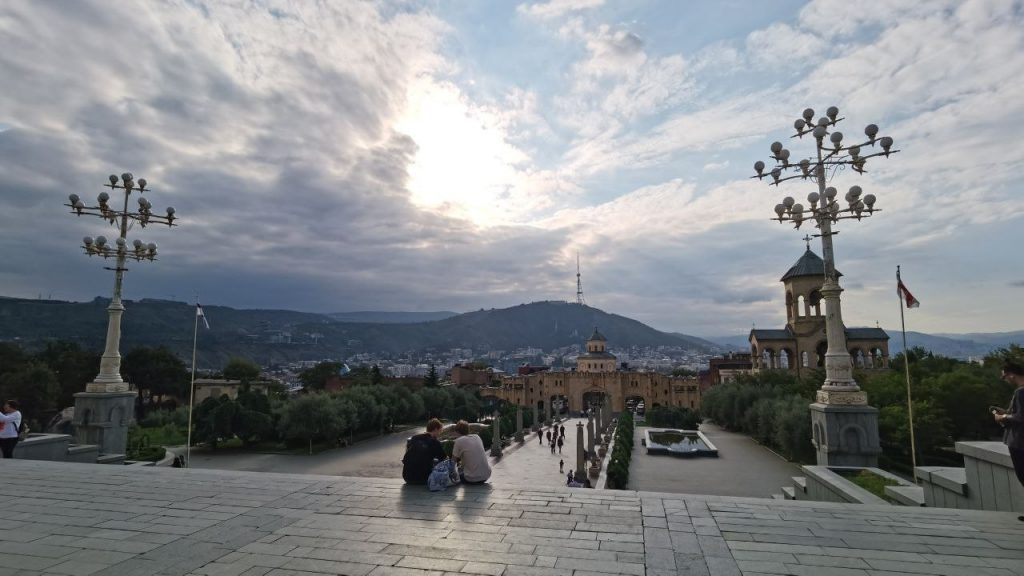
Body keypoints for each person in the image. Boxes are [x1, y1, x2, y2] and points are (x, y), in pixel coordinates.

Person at [994, 360, 1024, 521]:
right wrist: (1007, 412)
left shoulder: (1020, 392)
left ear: (1012, 374)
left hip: (1019, 441)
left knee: (1023, 475)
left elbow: (1020, 417)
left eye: (1005, 377)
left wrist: (1002, 417)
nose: (1006, 380)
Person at [402, 418, 446, 485]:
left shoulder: (414, 438)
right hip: (423, 479)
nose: (440, 433)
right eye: (440, 431)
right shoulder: (434, 442)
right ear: (436, 429)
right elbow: (443, 458)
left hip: (407, 477)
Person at [452, 420, 491, 484]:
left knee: (456, 476)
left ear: (457, 432)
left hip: (471, 479)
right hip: (486, 476)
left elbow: (453, 462)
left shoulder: (459, 441)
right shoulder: (477, 437)